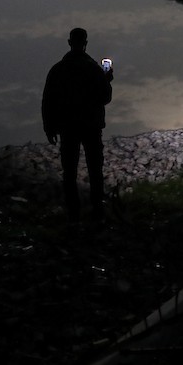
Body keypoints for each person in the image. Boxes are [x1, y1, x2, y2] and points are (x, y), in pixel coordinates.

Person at [41, 27, 114, 221]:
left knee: (69, 171)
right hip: (91, 126)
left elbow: (48, 101)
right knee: (95, 169)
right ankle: (97, 208)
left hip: (68, 127)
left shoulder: (57, 70)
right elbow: (105, 97)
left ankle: (73, 212)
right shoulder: (94, 69)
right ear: (85, 43)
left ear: (69, 43)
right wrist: (107, 80)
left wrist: (49, 127)